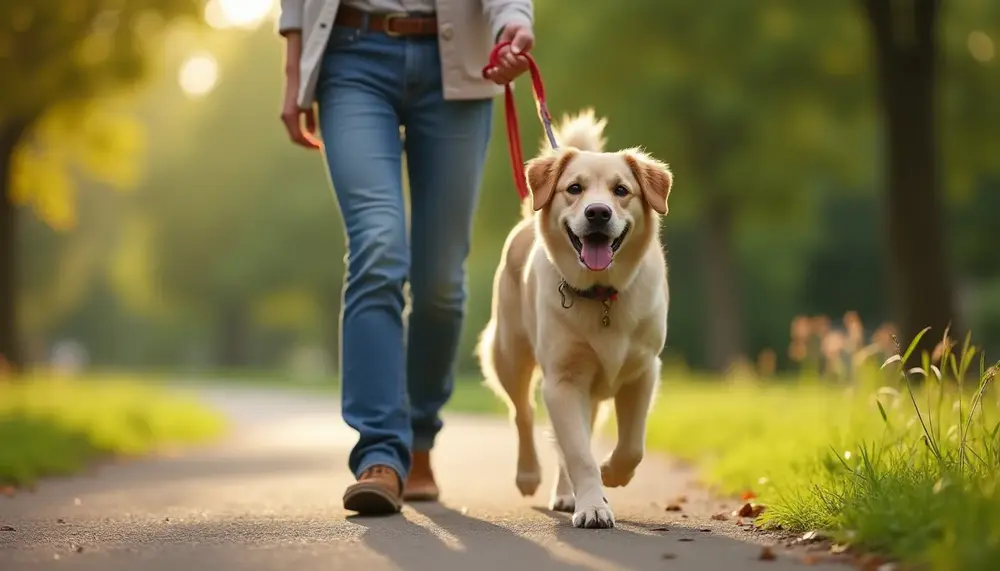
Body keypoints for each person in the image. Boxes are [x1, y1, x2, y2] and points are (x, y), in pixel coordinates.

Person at [276, 0, 536, 515]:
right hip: (351, 55)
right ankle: (379, 453)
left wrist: (514, 19)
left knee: (440, 282)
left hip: (458, 61)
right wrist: (293, 68)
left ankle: (418, 440)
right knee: (377, 245)